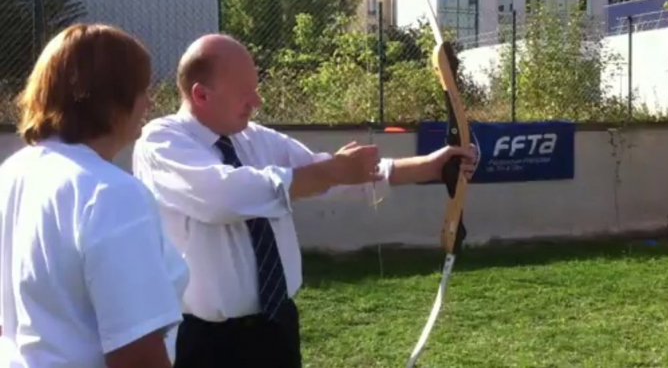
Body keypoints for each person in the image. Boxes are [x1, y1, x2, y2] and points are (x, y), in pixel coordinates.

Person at [131, 33, 475, 368]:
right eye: (245, 93)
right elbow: (225, 196)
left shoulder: (256, 139)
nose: (257, 102)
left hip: (276, 329)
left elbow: (330, 175)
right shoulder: (161, 141)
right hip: (207, 343)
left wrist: (429, 167)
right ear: (201, 95)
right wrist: (330, 173)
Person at [0, 23, 189, 368]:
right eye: (142, 89)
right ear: (112, 100)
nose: (148, 102)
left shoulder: (13, 173)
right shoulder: (111, 193)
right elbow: (136, 350)